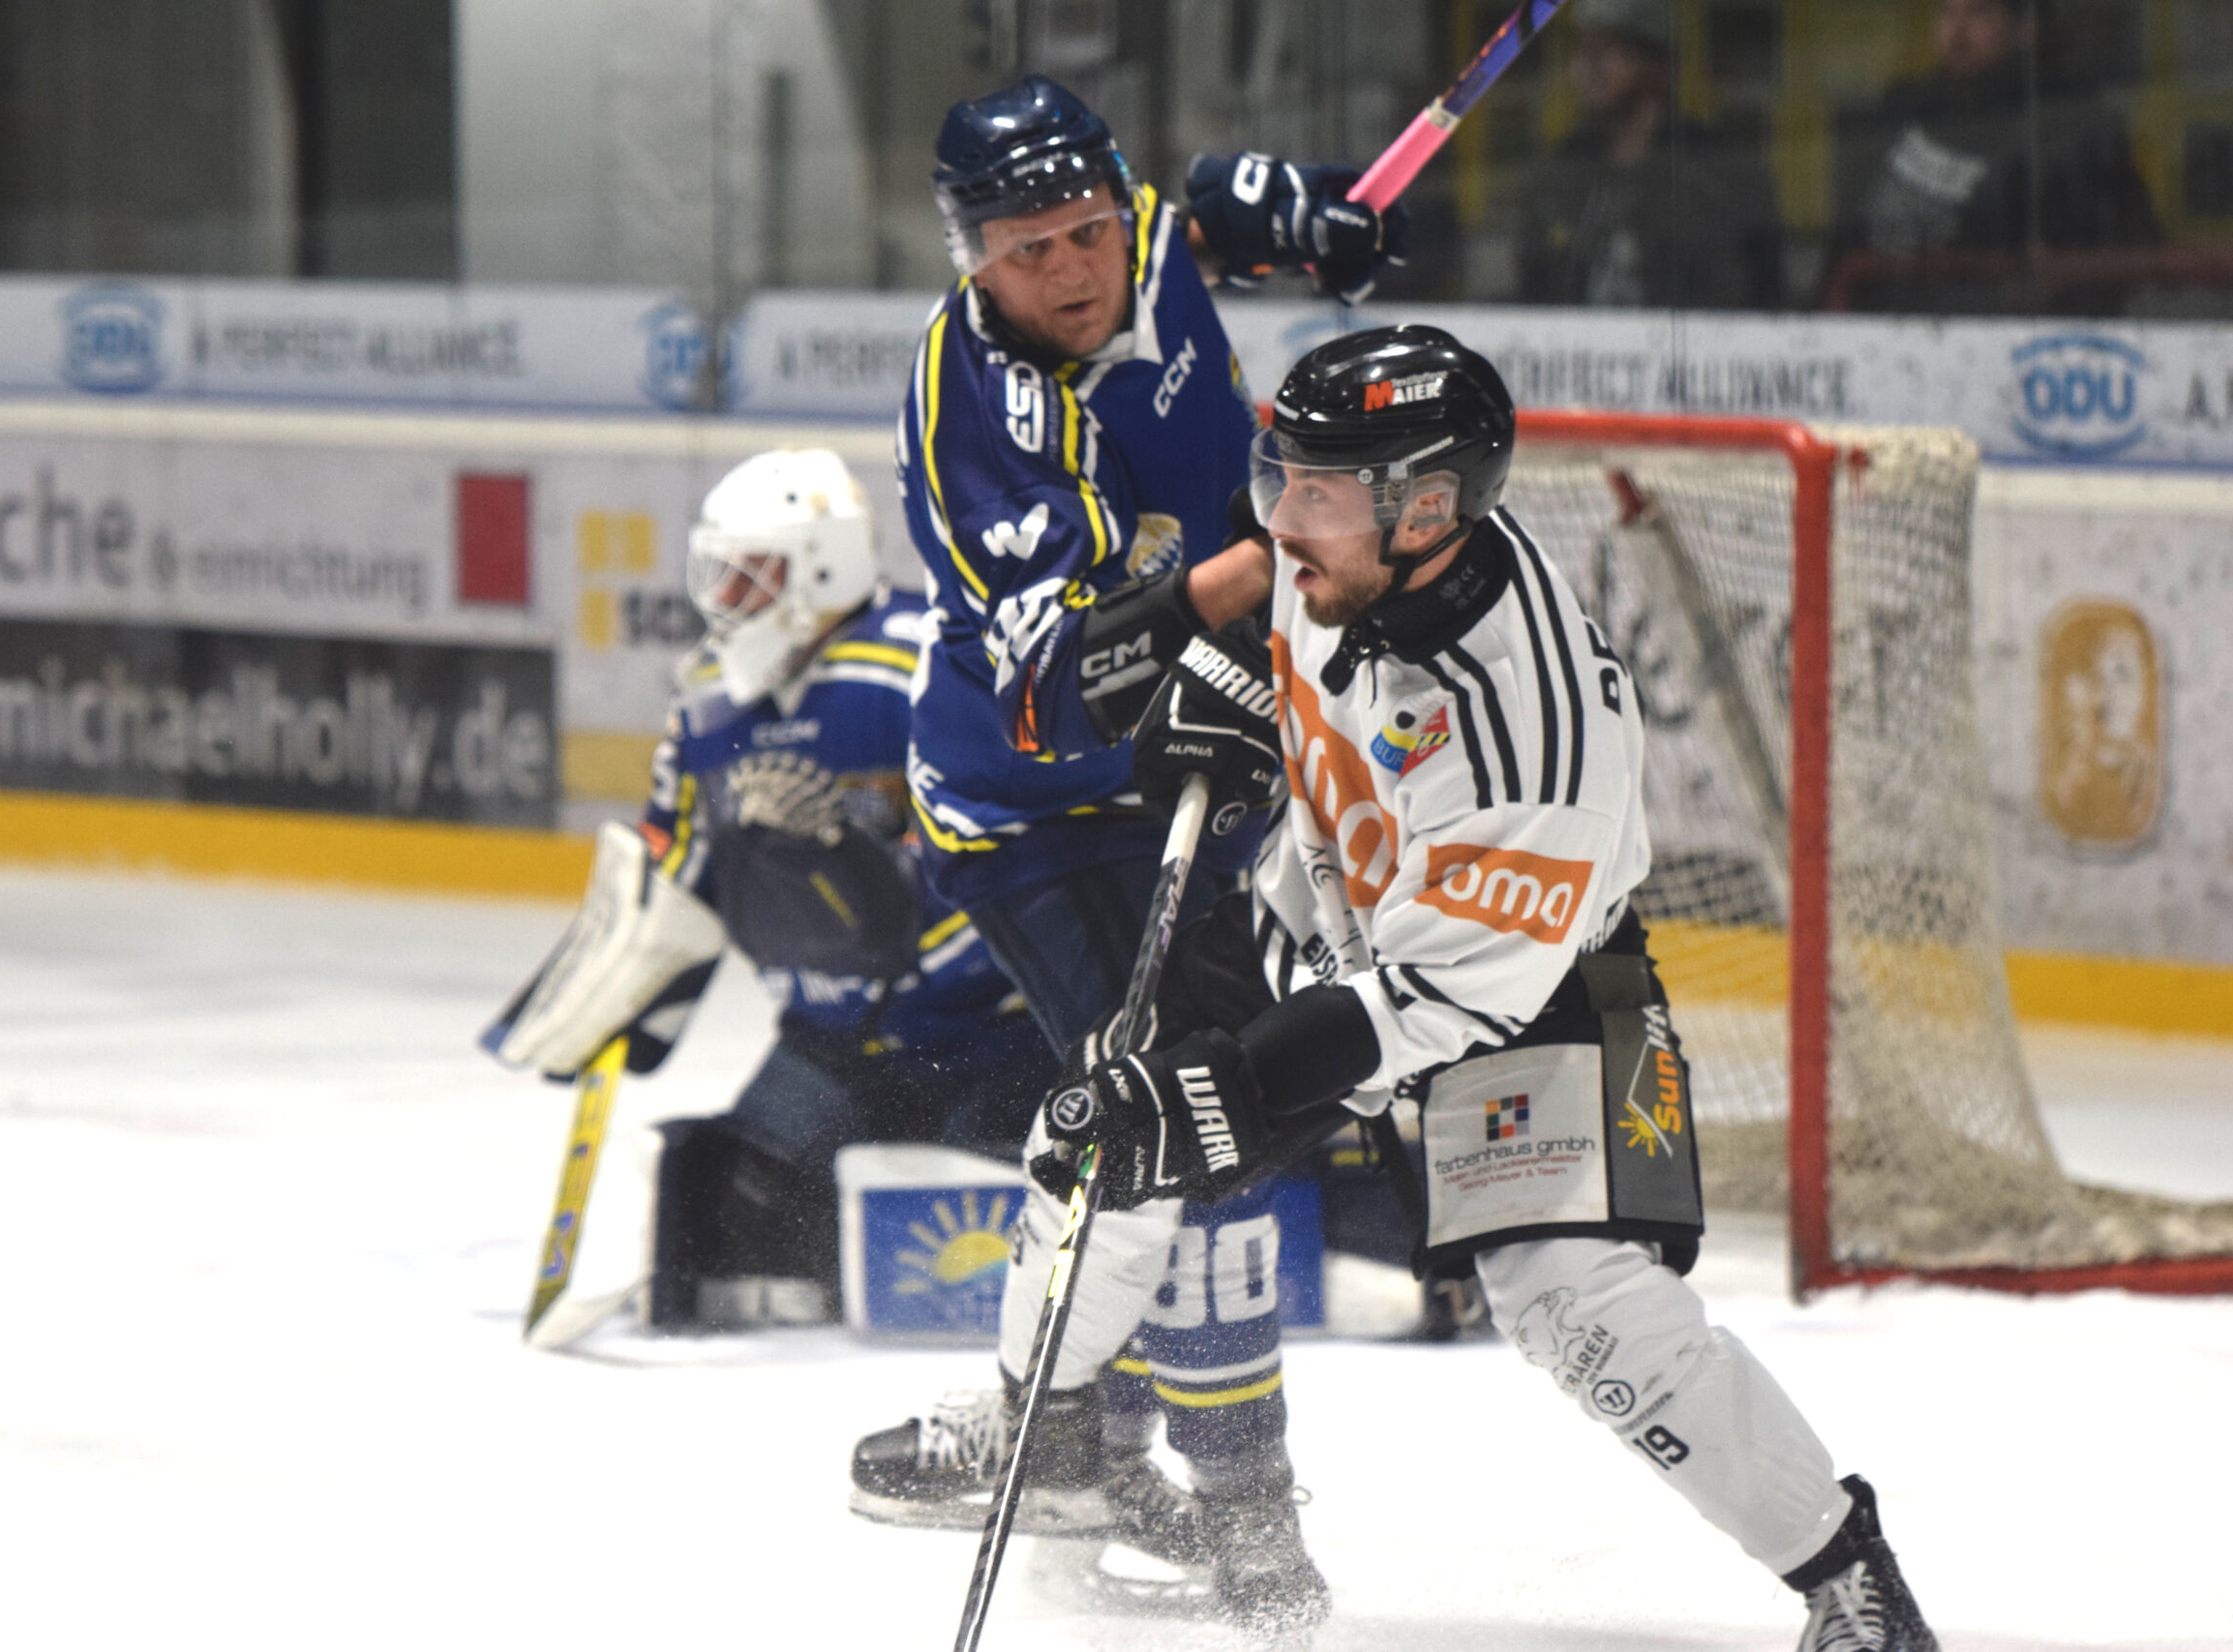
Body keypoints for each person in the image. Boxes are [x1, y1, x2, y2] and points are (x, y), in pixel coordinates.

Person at [1028, 322, 1939, 1652]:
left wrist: (1231, 1094)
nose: (1283, 515)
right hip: (1326, 916)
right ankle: (1038, 1435)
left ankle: (1848, 1576)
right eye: (1283, 475)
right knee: (1097, 1121)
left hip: (1530, 986)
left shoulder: (1532, 738)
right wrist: (1207, 651)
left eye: (1316, 491)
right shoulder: (1338, 548)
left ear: (1427, 510)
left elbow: (1438, 1001)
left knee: (1573, 1301)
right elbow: (1264, 555)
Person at [846, 74, 1406, 1640]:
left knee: (1224, 1116)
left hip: (1207, 760)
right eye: (1028, 250)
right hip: (1033, 800)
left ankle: (1093, 1429)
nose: (1074, 268)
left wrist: (1309, 215)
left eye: (1087, 230)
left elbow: (1205, 209)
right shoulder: (972, 409)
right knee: (1166, 1111)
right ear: (972, 258)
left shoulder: (1140, 238)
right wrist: (1301, 542)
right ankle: (1177, 1480)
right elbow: (1080, 669)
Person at [486, 447, 1051, 1330]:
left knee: (1009, 1214)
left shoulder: (932, 662)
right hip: (826, 1043)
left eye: (751, 575)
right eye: (717, 575)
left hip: (990, 1042)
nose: (726, 600)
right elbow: (676, 873)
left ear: (825, 565)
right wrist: (624, 975)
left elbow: (1009, 854)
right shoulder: (707, 703)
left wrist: (896, 949)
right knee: (720, 1210)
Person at [1828, 0, 2160, 313]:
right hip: (1866, 329)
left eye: (1979, 13)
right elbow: (1844, 242)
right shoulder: (1902, 107)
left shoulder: (2071, 125)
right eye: (1947, 12)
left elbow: (2114, 263)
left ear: (2026, 27)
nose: (1956, 33)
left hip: (1997, 335)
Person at [1513, 0, 1779, 310]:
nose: (1588, 66)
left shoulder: (1718, 173)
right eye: (1582, 50)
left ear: (1658, 64)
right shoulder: (1563, 171)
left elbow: (1750, 295)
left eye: (1609, 50)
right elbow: (1534, 290)